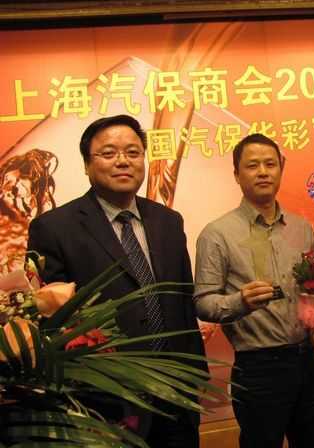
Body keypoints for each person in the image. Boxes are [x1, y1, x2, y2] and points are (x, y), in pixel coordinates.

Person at [27, 114, 205, 448]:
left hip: (176, 393)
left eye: (133, 152)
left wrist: (195, 377)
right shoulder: (53, 228)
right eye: (108, 153)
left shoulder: (168, 220)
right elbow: (52, 321)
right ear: (86, 165)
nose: (123, 161)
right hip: (106, 400)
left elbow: (183, 302)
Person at [194, 134, 314, 448]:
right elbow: (203, 302)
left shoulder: (301, 228)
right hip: (259, 366)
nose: (263, 172)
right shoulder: (217, 234)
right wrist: (239, 301)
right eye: (252, 166)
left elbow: (312, 286)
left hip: (309, 359)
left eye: (270, 164)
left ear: (281, 168)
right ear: (236, 174)